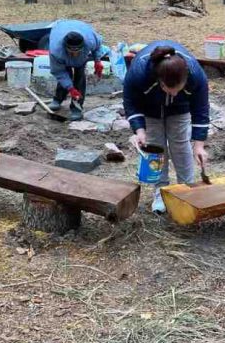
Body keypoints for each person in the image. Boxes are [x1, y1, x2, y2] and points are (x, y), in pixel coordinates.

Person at [123, 41, 210, 214]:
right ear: (160, 80)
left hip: (180, 108)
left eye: (178, 89)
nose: (174, 93)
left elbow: (201, 108)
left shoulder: (195, 74)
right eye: (169, 89)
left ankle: (186, 190)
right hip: (150, 108)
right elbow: (130, 101)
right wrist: (139, 130)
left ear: (185, 79)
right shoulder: (140, 72)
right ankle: (160, 192)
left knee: (180, 144)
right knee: (156, 147)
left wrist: (199, 144)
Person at [47, 19, 103, 120]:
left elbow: (98, 47)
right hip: (60, 31)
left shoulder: (90, 40)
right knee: (65, 76)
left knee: (80, 77)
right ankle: (58, 99)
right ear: (65, 47)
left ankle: (76, 108)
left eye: (77, 51)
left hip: (82, 29)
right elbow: (59, 72)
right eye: (72, 52)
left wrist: (97, 60)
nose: (74, 54)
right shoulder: (56, 50)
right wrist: (70, 88)